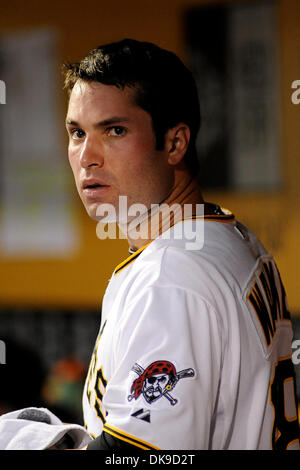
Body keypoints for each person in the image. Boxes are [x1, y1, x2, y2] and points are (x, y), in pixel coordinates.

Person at [63, 38, 299, 450]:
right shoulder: (227, 236)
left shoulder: (171, 277)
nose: (87, 156)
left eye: (114, 130)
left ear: (174, 143)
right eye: (77, 132)